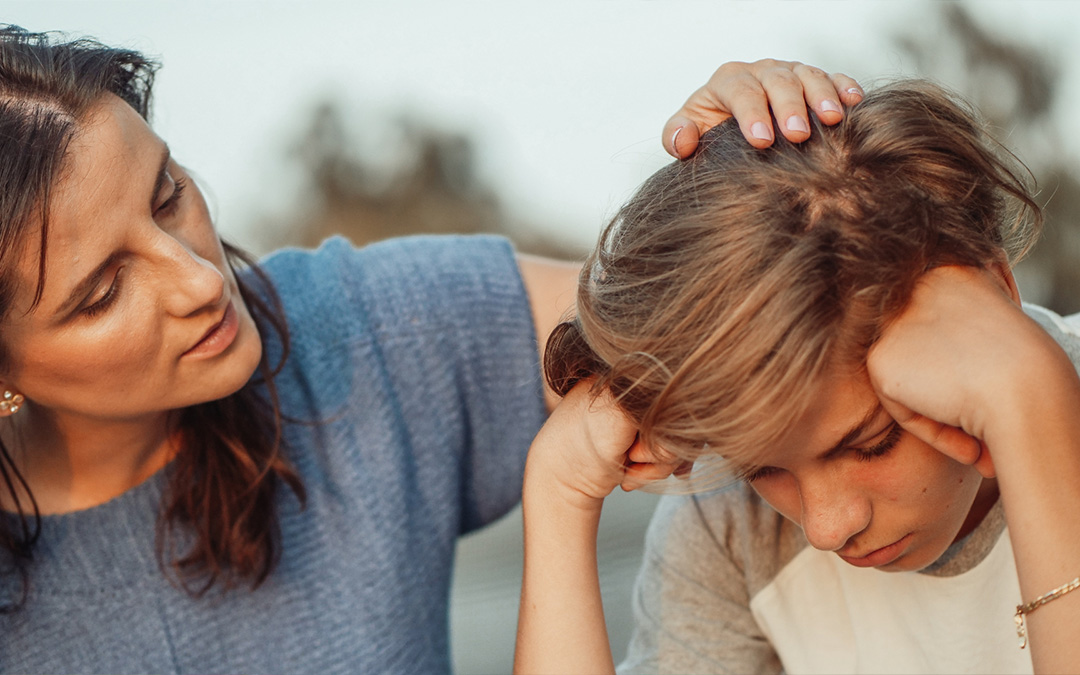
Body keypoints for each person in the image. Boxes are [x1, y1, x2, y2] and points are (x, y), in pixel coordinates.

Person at [0, 25, 863, 674]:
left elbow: (720, 296)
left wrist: (758, 173)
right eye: (103, 292)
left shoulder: (361, 332)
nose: (198, 280)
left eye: (167, 195)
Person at [515, 79, 1080, 674]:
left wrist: (1031, 400)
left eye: (870, 443)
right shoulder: (732, 530)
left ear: (996, 294)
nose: (826, 527)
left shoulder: (1036, 384)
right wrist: (558, 494)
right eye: (761, 468)